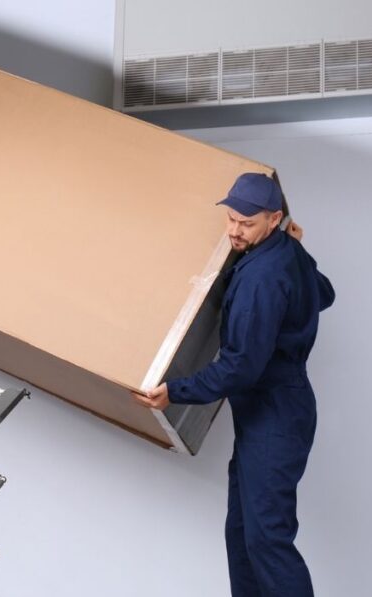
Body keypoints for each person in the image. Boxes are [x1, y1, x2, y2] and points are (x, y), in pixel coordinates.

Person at [134, 172, 334, 597]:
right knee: (242, 535)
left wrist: (176, 391)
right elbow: (326, 293)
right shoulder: (286, 251)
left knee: (266, 539)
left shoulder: (262, 277)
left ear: (273, 217)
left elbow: (241, 367)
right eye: (231, 219)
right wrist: (299, 247)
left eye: (245, 223)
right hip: (267, 415)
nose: (234, 231)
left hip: (275, 415)